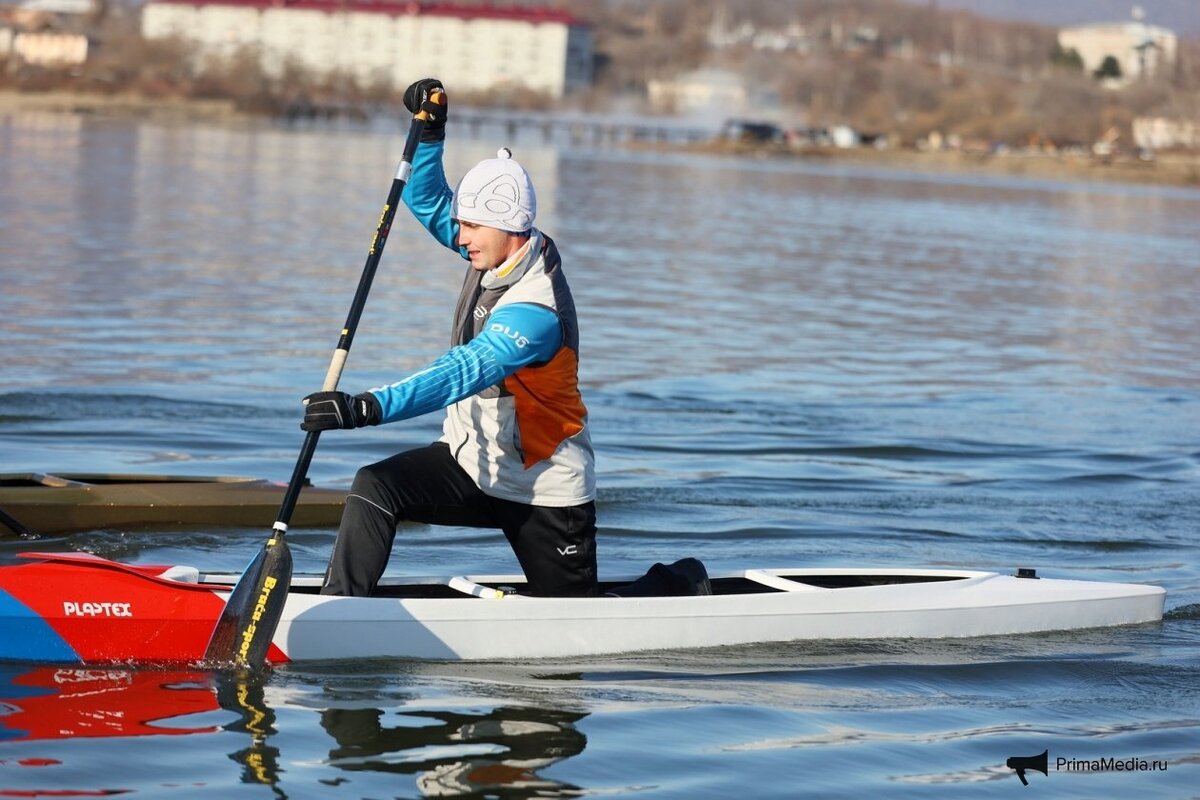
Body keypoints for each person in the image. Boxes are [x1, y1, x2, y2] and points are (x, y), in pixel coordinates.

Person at [301, 78, 597, 598]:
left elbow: (463, 371)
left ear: (510, 227)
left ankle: (683, 584)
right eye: (461, 225)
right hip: (469, 465)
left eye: (470, 227)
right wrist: (431, 133)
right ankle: (339, 606)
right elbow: (426, 199)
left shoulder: (536, 309)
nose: (458, 238)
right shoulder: (495, 248)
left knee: (581, 614)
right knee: (377, 484)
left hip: (543, 490)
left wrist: (366, 408)